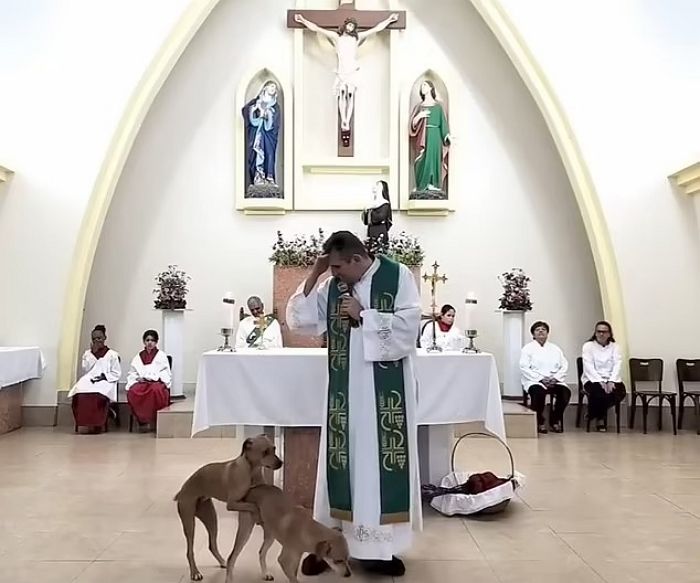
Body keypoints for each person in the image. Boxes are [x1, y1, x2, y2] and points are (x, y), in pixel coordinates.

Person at [286, 230, 421, 577]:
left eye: (338, 267)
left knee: (374, 470)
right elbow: (299, 319)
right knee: (340, 469)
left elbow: (409, 329)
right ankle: (326, 544)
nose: (335, 275)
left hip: (382, 397)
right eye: (330, 269)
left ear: (358, 260)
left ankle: (378, 550)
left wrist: (365, 316)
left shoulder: (397, 276)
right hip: (343, 396)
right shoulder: (332, 286)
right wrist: (315, 273)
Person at [293, 12, 399, 140]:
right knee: (342, 94)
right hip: (342, 71)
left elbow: (376, 28)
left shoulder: (357, 38)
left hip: (352, 70)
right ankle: (344, 119)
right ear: (345, 25)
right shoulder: (337, 38)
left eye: (352, 26)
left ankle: (347, 120)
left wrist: (389, 20)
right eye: (349, 25)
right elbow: (317, 28)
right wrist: (303, 20)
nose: (350, 28)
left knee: (350, 95)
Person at [67, 324, 121, 433]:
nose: (97, 341)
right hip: (90, 379)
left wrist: (105, 376)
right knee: (79, 393)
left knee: (97, 395)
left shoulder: (112, 354)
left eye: (99, 338)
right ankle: (84, 422)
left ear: (105, 338)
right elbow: (86, 369)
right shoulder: (87, 354)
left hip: (106, 380)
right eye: (94, 339)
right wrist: (93, 353)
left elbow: (116, 373)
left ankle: (98, 423)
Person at [520, 321, 570, 434]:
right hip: (535, 380)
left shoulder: (555, 349)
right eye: (537, 330)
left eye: (543, 329)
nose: (541, 331)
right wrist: (541, 379)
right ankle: (539, 421)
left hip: (554, 380)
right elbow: (524, 367)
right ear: (533, 334)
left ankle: (555, 420)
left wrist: (555, 378)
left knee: (565, 392)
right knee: (538, 393)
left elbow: (564, 365)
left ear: (547, 333)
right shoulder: (527, 349)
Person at [581, 320, 626, 432]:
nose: (601, 334)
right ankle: (600, 419)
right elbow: (588, 365)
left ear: (609, 334)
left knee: (619, 392)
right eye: (599, 331)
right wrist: (600, 381)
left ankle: (592, 413)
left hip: (612, 379)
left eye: (604, 332)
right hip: (592, 379)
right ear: (595, 333)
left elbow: (617, 364)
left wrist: (611, 381)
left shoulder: (615, 347)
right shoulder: (588, 346)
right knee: (599, 393)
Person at [409, 79, 450, 194]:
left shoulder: (438, 107)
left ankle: (434, 184)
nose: (423, 88)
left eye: (425, 85)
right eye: (422, 86)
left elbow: (444, 125)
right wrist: (420, 116)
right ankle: (422, 186)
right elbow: (412, 125)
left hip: (435, 137)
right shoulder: (419, 107)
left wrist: (447, 136)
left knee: (434, 160)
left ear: (431, 88)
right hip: (423, 137)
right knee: (422, 160)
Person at [125, 329, 171, 430]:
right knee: (133, 391)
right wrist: (138, 378)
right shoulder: (138, 356)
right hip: (142, 382)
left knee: (156, 390)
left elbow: (165, 372)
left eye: (152, 340)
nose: (150, 342)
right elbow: (132, 372)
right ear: (144, 341)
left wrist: (155, 377)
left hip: (156, 382)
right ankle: (142, 420)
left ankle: (154, 419)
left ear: (156, 342)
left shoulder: (161, 356)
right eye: (147, 340)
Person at [243, 80, 281, 187]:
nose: (273, 89)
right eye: (271, 86)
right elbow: (247, 112)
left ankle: (269, 177)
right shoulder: (257, 102)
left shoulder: (275, 106)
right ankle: (258, 176)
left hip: (269, 136)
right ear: (265, 88)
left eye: (274, 87)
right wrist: (254, 111)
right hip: (257, 134)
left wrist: (268, 115)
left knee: (269, 154)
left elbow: (275, 123)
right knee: (256, 154)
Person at [361, 180, 392, 248]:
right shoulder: (372, 204)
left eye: (377, 185)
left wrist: (371, 211)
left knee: (379, 248)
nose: (374, 187)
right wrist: (366, 211)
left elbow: (380, 217)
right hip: (371, 229)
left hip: (379, 229)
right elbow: (365, 221)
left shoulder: (384, 203)